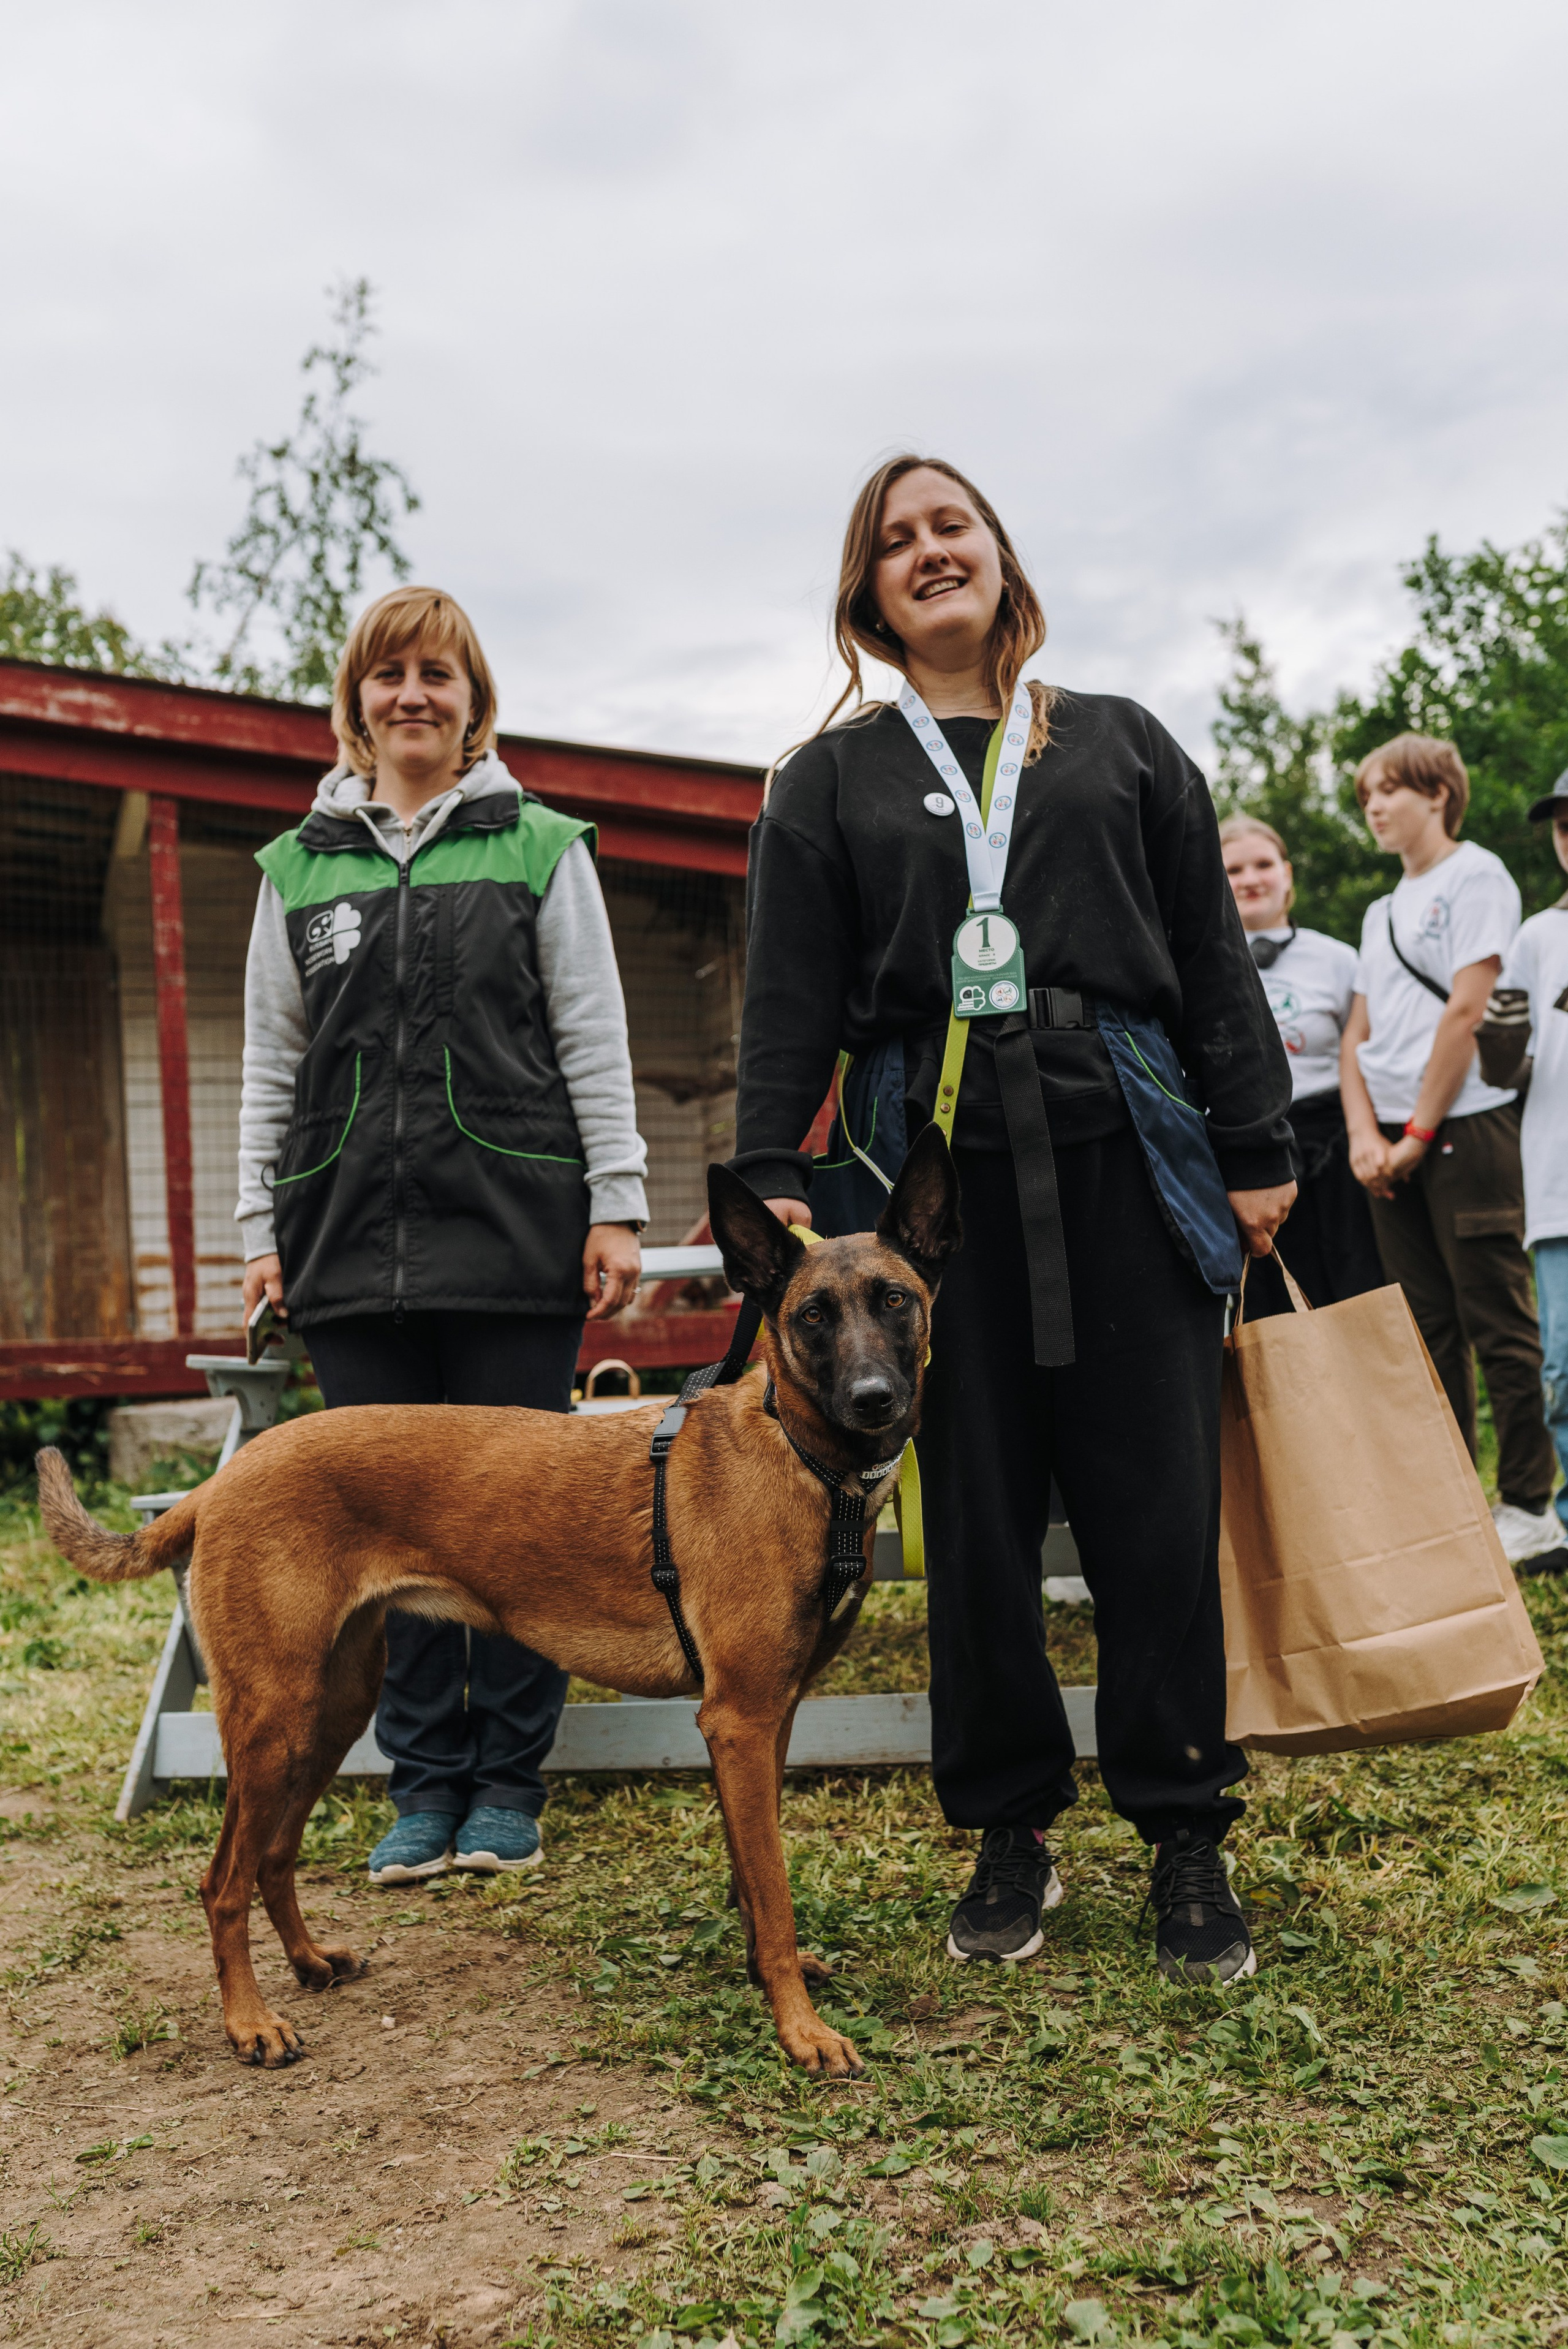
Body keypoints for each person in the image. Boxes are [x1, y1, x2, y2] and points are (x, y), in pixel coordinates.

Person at [731, 454, 1296, 1984]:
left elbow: (1207, 954)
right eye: (895, 541)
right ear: (866, 591)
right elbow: (787, 991)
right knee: (970, 1518)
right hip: (928, 1192)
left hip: (1122, 1144)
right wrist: (769, 1160)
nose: (929, 552)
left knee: (1153, 1511)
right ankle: (1007, 1822)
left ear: (998, 554)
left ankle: (1182, 1825)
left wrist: (1252, 1141)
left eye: (951, 527)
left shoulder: (1114, 743)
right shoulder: (824, 778)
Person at [236, 584, 649, 1883]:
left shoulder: (540, 844)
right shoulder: (296, 867)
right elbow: (269, 1061)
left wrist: (618, 1201)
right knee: (381, 1538)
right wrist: (263, 1228)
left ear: (475, 702)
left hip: (514, 1232)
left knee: (523, 1533)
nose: (411, 694)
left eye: (438, 674)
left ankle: (507, 1787)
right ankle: (421, 1787)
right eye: (387, 674)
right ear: (355, 702)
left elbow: (592, 1030)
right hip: (348, 1247)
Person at [1339, 733, 1564, 1568]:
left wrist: (1419, 1134)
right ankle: (1451, 1497)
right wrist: (1368, 1136)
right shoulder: (1378, 909)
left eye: (1389, 789)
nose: (1374, 806)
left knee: (1498, 1319)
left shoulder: (1478, 877)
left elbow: (1469, 1011)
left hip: (1462, 1127)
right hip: (1389, 1144)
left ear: (1438, 793)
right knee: (1426, 1329)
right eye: (1367, 794)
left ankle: (1530, 1506)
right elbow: (1356, 1035)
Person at [1219, 817, 1384, 1314]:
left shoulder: (1337, 959)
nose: (1251, 879)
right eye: (1234, 868)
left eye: (1264, 865)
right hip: (1251, 1145)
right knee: (1273, 1302)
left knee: (1356, 1285)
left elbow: (1365, 1052)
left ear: (1288, 873)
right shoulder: (1199, 964)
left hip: (1335, 1145)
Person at [1477, 768, 1568, 1545]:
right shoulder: (1538, 936)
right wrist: (1500, 1027)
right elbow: (1500, 1068)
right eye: (1563, 826)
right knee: (1562, 1374)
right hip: (1557, 1185)